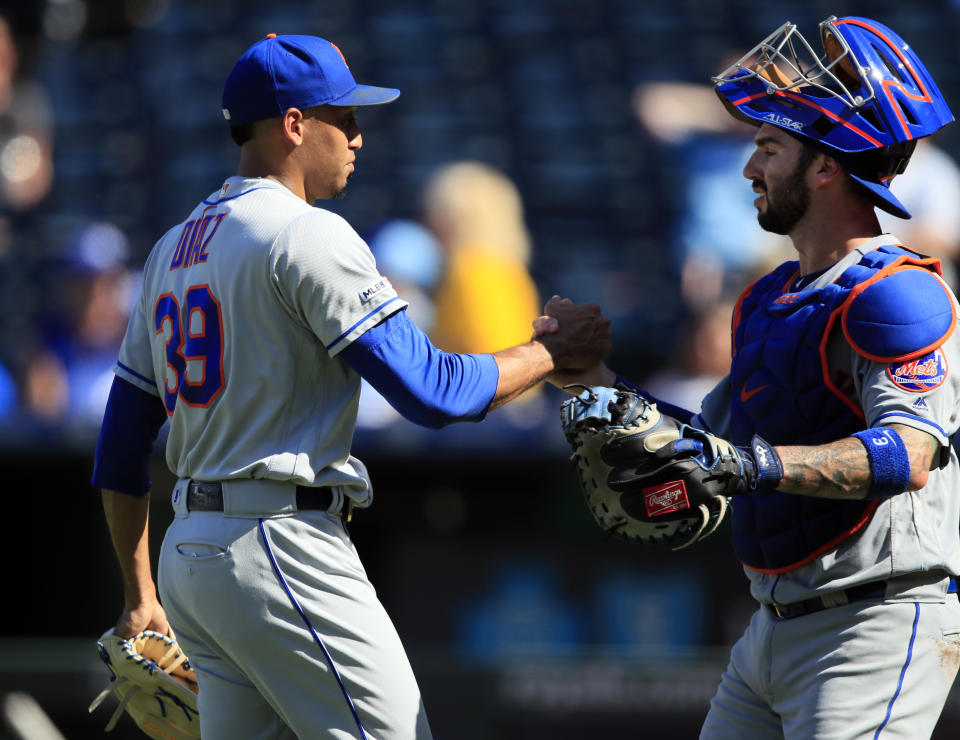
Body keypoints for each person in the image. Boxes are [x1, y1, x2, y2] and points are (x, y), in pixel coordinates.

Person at [91, 34, 610, 740]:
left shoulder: (171, 249)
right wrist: (549, 350)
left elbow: (121, 446)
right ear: (296, 125)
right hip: (279, 544)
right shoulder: (306, 235)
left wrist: (141, 593)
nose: (359, 137)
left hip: (191, 555)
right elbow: (436, 392)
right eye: (346, 116)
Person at [543, 16, 960, 739]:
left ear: (825, 167)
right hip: (767, 628)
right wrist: (593, 378)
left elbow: (908, 454)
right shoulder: (768, 298)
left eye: (768, 147)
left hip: (873, 626)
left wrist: (750, 465)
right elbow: (711, 444)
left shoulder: (898, 293)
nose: (749, 167)